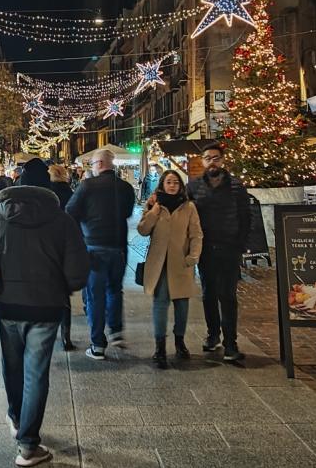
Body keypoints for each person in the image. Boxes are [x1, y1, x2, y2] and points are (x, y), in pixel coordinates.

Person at [0, 159, 89, 468]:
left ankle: (16, 416)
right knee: (36, 372)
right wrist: (64, 287)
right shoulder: (62, 220)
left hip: (8, 305)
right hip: (46, 305)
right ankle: (28, 444)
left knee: (12, 365)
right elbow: (78, 268)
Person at [65, 148, 136, 360]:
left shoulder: (87, 186)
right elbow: (128, 212)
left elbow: (70, 211)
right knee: (115, 289)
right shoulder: (125, 187)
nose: (92, 168)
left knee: (95, 296)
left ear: (100, 164)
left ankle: (98, 344)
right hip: (118, 247)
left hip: (94, 248)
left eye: (94, 164)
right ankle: (116, 331)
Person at [187, 143, 251, 362]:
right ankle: (212, 334)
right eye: (208, 158)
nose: (212, 161)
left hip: (229, 248)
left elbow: (246, 216)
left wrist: (240, 243)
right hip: (206, 249)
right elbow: (185, 212)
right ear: (202, 161)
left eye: (215, 157)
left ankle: (231, 343)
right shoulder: (194, 186)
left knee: (228, 296)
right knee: (209, 294)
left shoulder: (236, 186)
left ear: (222, 160)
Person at [137, 171, 203, 369]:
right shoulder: (154, 205)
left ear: (181, 185)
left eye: (175, 182)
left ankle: (179, 341)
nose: (172, 185)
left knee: (182, 304)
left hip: (180, 263)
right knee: (160, 303)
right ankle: (160, 347)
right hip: (159, 264)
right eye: (168, 182)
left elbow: (196, 234)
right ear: (162, 185)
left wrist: (193, 256)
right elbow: (142, 230)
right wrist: (155, 209)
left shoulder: (188, 206)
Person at [47, 164, 77, 350]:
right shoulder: (71, 193)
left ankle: (48, 332)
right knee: (63, 294)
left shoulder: (46, 193)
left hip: (48, 246)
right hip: (65, 246)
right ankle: (66, 336)